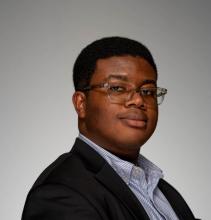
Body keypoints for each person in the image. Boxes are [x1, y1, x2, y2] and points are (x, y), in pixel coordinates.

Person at [22, 37, 200, 220]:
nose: (138, 100)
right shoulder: (60, 193)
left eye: (148, 91)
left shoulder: (163, 192)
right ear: (81, 103)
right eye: (117, 88)